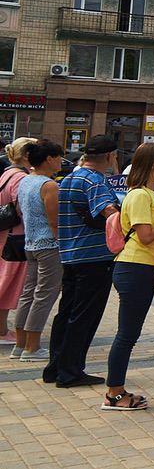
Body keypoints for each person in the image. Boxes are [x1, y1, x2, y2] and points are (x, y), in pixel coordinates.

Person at [45, 135, 120, 389]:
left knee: (66, 313)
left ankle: (56, 366)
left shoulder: (69, 178)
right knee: (84, 316)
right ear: (110, 156)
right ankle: (71, 371)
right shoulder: (95, 180)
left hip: (70, 253)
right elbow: (109, 213)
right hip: (94, 257)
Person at [104, 142, 154, 412]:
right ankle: (114, 393)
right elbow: (145, 237)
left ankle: (116, 389)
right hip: (135, 267)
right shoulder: (139, 196)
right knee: (127, 334)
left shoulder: (147, 193)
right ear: (151, 162)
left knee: (129, 333)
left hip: (144, 268)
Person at [12, 139, 64, 363]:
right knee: (44, 295)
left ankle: (20, 344)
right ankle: (32, 347)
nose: (62, 161)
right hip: (49, 245)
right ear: (49, 159)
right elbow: (54, 221)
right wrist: (62, 243)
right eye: (59, 157)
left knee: (28, 293)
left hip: (30, 243)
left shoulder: (25, 181)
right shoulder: (49, 185)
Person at [0, 140, 31, 350]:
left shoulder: (7, 173)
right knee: (8, 284)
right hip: (15, 236)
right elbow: (23, 209)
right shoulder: (20, 177)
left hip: (6, 234)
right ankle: (2, 330)